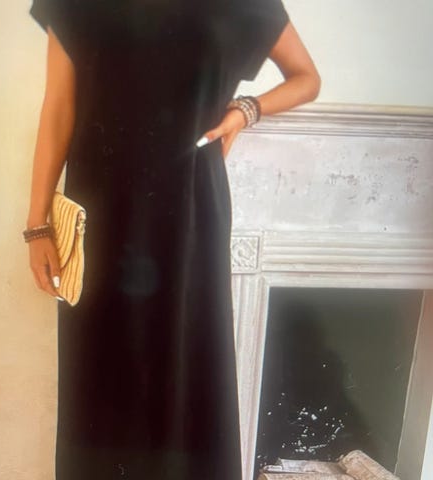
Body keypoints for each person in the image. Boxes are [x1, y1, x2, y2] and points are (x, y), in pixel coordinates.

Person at [25, 0, 320, 479]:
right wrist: (37, 224)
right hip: (100, 214)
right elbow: (59, 105)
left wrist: (246, 111)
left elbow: (306, 78)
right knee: (100, 373)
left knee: (186, 367)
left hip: (190, 214)